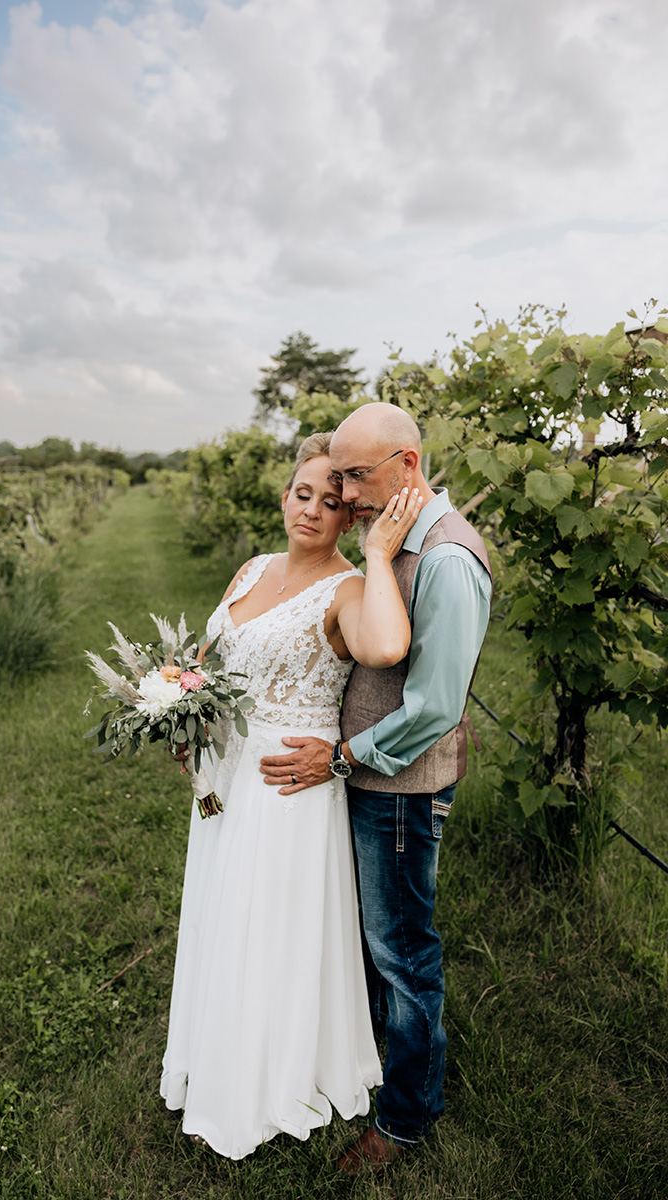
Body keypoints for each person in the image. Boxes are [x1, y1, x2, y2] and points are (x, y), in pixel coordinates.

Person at [160, 431, 423, 1160]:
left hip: (287, 785)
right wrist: (182, 710)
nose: (312, 509)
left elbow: (385, 649)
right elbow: (208, 662)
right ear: (285, 498)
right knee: (223, 914)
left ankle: (267, 1078)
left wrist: (375, 559)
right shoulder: (249, 570)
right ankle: (216, 1052)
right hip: (224, 776)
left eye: (332, 501)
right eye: (303, 494)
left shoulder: (345, 589)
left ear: (349, 517)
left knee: (269, 925)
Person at [259, 403, 493, 1172]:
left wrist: (338, 757)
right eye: (338, 477)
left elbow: (433, 708)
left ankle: (406, 1118)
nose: (348, 492)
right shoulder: (395, 541)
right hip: (366, 778)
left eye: (357, 476)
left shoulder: (449, 561)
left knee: (402, 954)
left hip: (399, 790)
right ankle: (360, 1071)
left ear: (409, 465)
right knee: (368, 943)